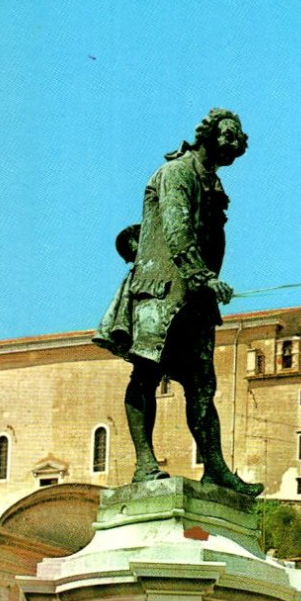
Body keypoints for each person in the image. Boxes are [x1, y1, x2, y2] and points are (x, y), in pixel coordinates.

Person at [94, 109, 263, 498]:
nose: (235, 142)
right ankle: (145, 463)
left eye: (238, 138)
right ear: (207, 134)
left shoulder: (212, 183)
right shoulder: (178, 172)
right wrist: (203, 276)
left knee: (202, 385)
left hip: (195, 299)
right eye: (228, 134)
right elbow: (177, 226)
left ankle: (215, 466)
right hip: (160, 290)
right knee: (146, 373)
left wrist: (206, 284)